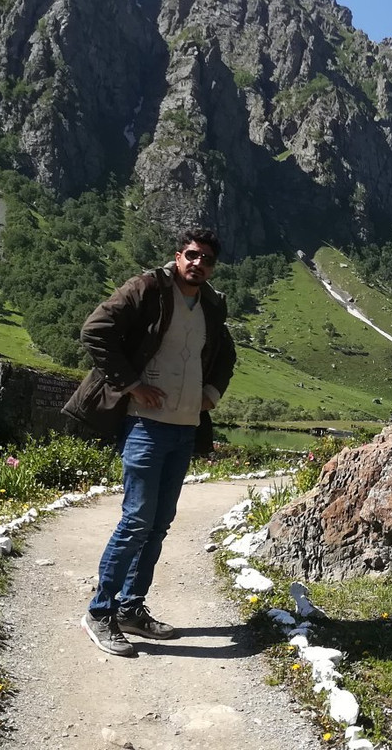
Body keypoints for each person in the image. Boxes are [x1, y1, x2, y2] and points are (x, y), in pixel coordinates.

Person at [63, 229, 236, 657]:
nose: (199, 263)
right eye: (192, 255)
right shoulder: (147, 288)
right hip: (145, 424)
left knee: (158, 524)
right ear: (178, 256)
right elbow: (96, 329)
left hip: (183, 427)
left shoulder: (211, 305)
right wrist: (131, 384)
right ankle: (99, 613)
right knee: (137, 520)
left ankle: (129, 608)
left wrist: (210, 396)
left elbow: (227, 355)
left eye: (207, 259)